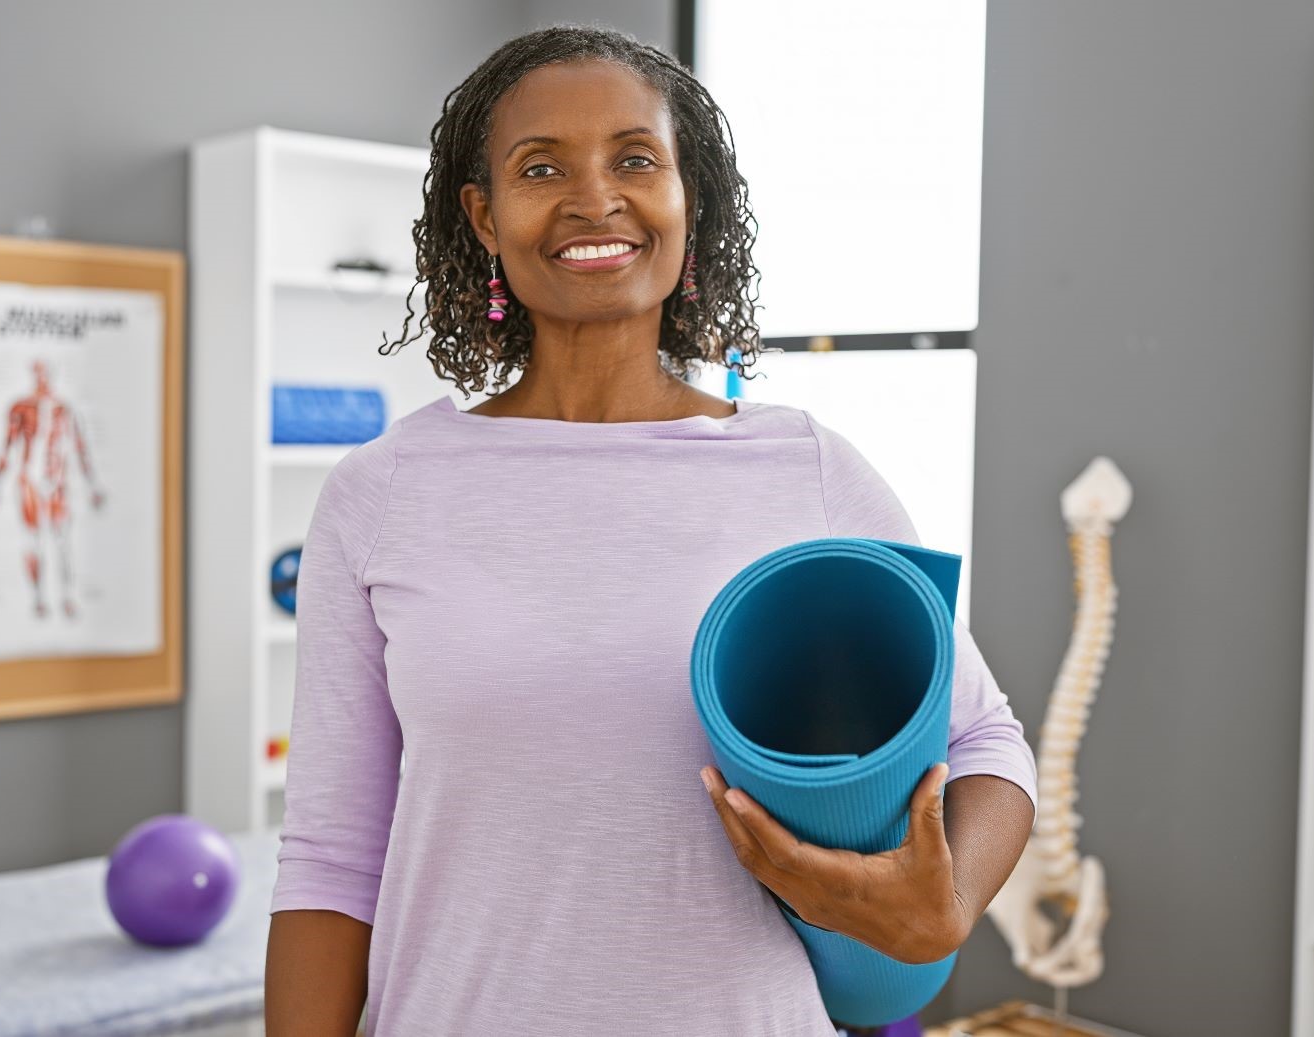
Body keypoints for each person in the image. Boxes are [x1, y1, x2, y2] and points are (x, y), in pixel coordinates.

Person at [264, 25, 1037, 1037]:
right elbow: (332, 851)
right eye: (541, 167)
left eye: (635, 159)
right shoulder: (383, 491)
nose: (595, 198)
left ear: (687, 201)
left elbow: (983, 740)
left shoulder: (806, 469)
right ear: (483, 215)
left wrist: (945, 901)